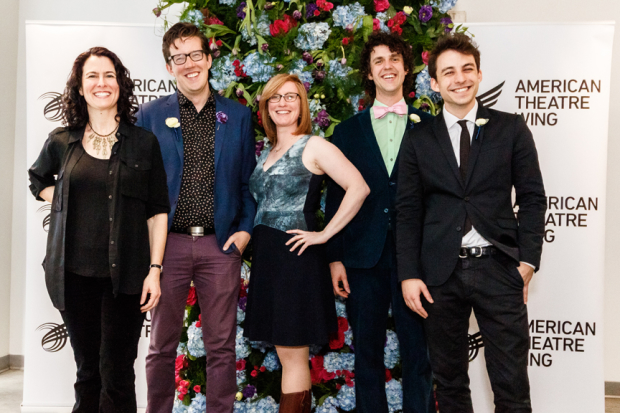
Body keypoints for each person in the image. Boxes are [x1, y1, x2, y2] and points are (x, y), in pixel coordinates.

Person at [396, 33, 547, 413]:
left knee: (511, 383)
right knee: (448, 383)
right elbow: (409, 210)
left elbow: (531, 199)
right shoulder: (417, 139)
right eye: (448, 72)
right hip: (438, 276)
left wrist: (527, 261)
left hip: (499, 269)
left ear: (479, 75)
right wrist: (409, 274)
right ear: (434, 83)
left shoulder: (511, 128)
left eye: (467, 69)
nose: (459, 78)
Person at [28, 47, 169, 413]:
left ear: (120, 84)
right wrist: (61, 195)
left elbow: (157, 211)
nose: (101, 83)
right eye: (92, 76)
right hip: (73, 276)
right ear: (80, 87)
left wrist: (155, 270)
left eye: (108, 75)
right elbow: (37, 179)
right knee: (88, 371)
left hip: (127, 278)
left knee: (118, 372)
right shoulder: (62, 141)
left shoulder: (143, 142)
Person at [136, 22, 257, 413]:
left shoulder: (237, 116)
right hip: (166, 245)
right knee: (160, 345)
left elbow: (247, 184)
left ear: (208, 59)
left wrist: (242, 233)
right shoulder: (150, 116)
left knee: (222, 345)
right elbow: (138, 187)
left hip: (220, 245)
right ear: (169, 67)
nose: (189, 63)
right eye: (178, 57)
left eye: (195, 55)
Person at [243, 73, 369, 413]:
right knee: (287, 355)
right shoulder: (269, 150)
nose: (282, 103)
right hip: (270, 261)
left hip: (295, 260)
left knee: (293, 354)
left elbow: (358, 187)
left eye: (290, 97)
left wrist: (325, 235)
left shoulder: (314, 146)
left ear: (302, 106)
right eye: (275, 98)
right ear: (266, 107)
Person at [324, 32, 434, 413]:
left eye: (394, 59)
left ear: (406, 68)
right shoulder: (347, 132)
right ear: (368, 74)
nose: (387, 66)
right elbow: (335, 199)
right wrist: (335, 257)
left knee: (418, 353)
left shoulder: (430, 126)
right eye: (378, 61)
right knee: (366, 353)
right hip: (361, 257)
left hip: (416, 260)